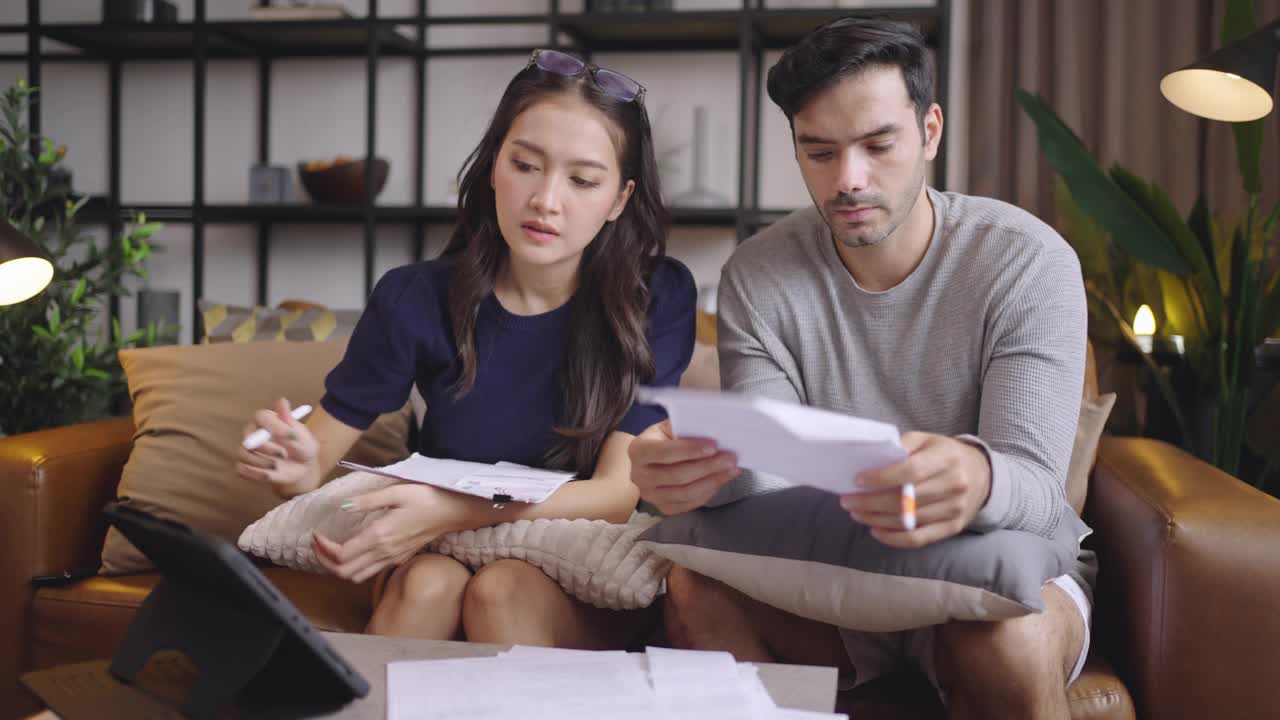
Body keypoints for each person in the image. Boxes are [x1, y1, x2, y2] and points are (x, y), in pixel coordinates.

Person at [628, 17, 1092, 720]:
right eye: (819, 152)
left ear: (930, 131)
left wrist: (976, 475)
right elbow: (768, 479)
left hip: (996, 572)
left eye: (879, 146)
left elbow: (1034, 484)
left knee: (1007, 642)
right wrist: (695, 475)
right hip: (833, 572)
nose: (849, 180)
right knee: (692, 593)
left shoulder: (1026, 262)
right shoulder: (761, 273)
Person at [237, 49, 695, 650]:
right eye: (525, 165)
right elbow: (313, 462)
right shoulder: (414, 297)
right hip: (436, 558)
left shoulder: (656, 296)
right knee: (430, 582)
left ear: (618, 199)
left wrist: (451, 509)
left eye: (582, 180)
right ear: (493, 167)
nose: (546, 200)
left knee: (499, 589)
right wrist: (293, 467)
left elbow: (613, 496)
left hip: (574, 568)